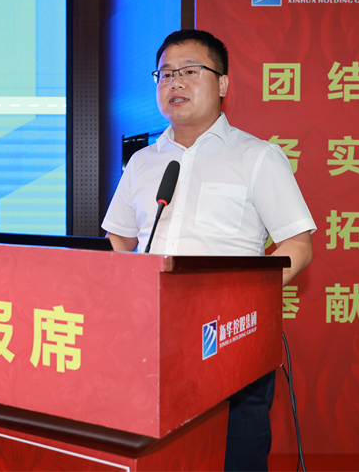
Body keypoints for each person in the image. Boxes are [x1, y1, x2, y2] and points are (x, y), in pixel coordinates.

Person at [101, 29, 316, 471]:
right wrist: (129, 294)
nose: (174, 83)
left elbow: (297, 243)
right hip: (150, 339)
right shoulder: (142, 162)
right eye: (165, 74)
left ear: (222, 84)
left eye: (189, 71)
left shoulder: (258, 156)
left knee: (235, 456)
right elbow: (120, 237)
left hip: (231, 341)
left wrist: (247, 300)